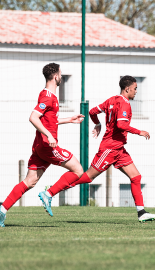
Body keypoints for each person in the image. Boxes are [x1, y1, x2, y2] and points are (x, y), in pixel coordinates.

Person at [40, 76, 155, 223]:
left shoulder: (111, 100)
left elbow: (92, 112)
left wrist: (97, 124)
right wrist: (139, 131)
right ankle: (50, 191)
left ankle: (141, 213)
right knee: (88, 177)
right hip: (109, 149)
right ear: (127, 89)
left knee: (136, 177)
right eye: (135, 89)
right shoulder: (124, 104)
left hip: (119, 149)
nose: (136, 91)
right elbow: (121, 124)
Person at [0, 63, 85, 227]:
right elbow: (33, 117)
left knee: (29, 182)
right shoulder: (48, 97)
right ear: (56, 76)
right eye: (61, 74)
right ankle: (48, 193)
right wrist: (48, 135)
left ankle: (2, 210)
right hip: (48, 146)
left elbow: (48, 120)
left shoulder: (47, 94)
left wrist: (69, 119)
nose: (61, 76)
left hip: (39, 146)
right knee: (78, 170)